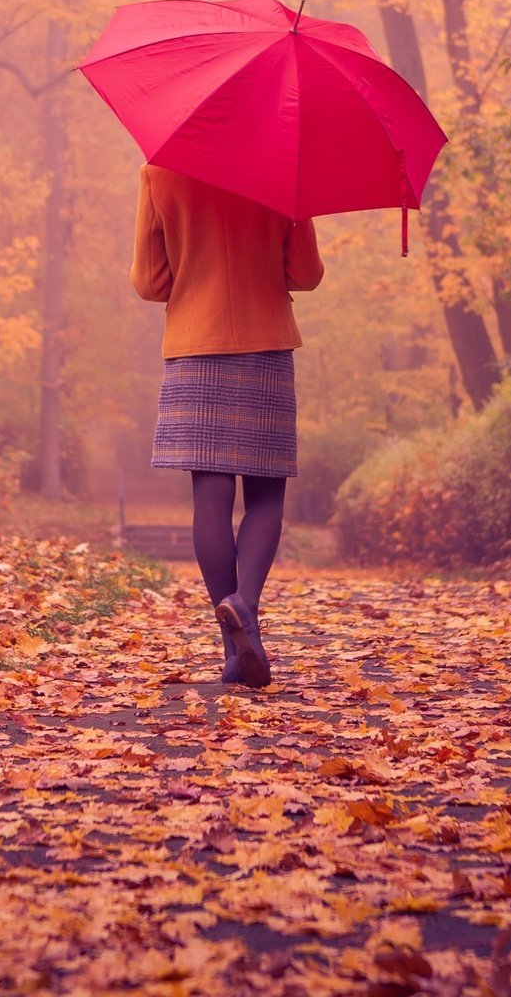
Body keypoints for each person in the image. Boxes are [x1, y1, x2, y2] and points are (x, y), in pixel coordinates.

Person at [130, 163, 325, 687]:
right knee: (266, 495)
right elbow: (306, 274)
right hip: (265, 341)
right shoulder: (283, 169)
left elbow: (150, 283)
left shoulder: (161, 171)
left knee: (210, 496)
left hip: (196, 344)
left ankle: (236, 650)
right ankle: (245, 606)